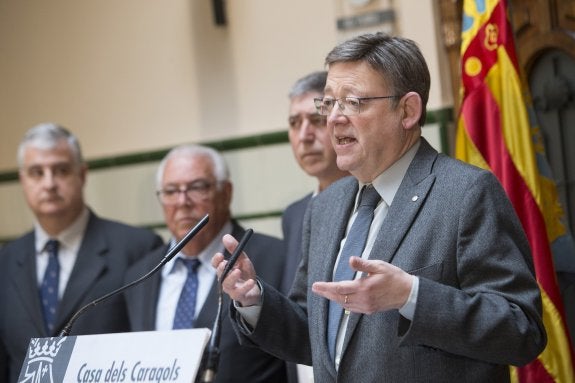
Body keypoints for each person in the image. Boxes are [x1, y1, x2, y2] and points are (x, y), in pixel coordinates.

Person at [212, 32, 547, 382]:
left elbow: (521, 328)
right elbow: (314, 333)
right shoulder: (325, 207)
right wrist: (254, 300)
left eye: (354, 102)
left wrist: (411, 296)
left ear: (407, 111)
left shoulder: (466, 193)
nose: (335, 119)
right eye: (329, 103)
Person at [0, 123, 164, 382]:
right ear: (22, 181)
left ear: (83, 174)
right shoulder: (6, 261)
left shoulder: (138, 248)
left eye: (61, 170)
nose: (49, 183)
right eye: (36, 173)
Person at [124, 144, 288, 383]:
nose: (182, 201)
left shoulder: (275, 258)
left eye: (197, 187)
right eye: (171, 191)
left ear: (226, 192)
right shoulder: (139, 275)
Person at [281, 71, 349, 383]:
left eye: (316, 120)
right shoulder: (295, 215)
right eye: (295, 123)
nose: (304, 135)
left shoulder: (376, 203)